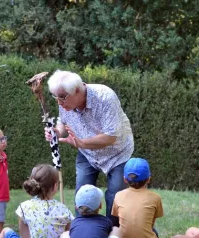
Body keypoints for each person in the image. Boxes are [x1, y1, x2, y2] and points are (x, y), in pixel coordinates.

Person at [43, 70, 134, 218]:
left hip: (117, 154)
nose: (59, 102)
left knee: (115, 197)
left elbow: (110, 137)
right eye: (56, 98)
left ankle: (112, 235)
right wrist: (57, 132)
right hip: (88, 154)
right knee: (82, 196)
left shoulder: (105, 97)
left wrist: (81, 143)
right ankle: (82, 232)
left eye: (62, 98)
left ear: (77, 90)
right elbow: (63, 122)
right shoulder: (65, 100)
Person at [111, 158, 164, 238]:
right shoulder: (155, 198)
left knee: (120, 230)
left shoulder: (118, 196)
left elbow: (119, 220)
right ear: (148, 179)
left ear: (125, 179)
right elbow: (150, 224)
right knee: (153, 231)